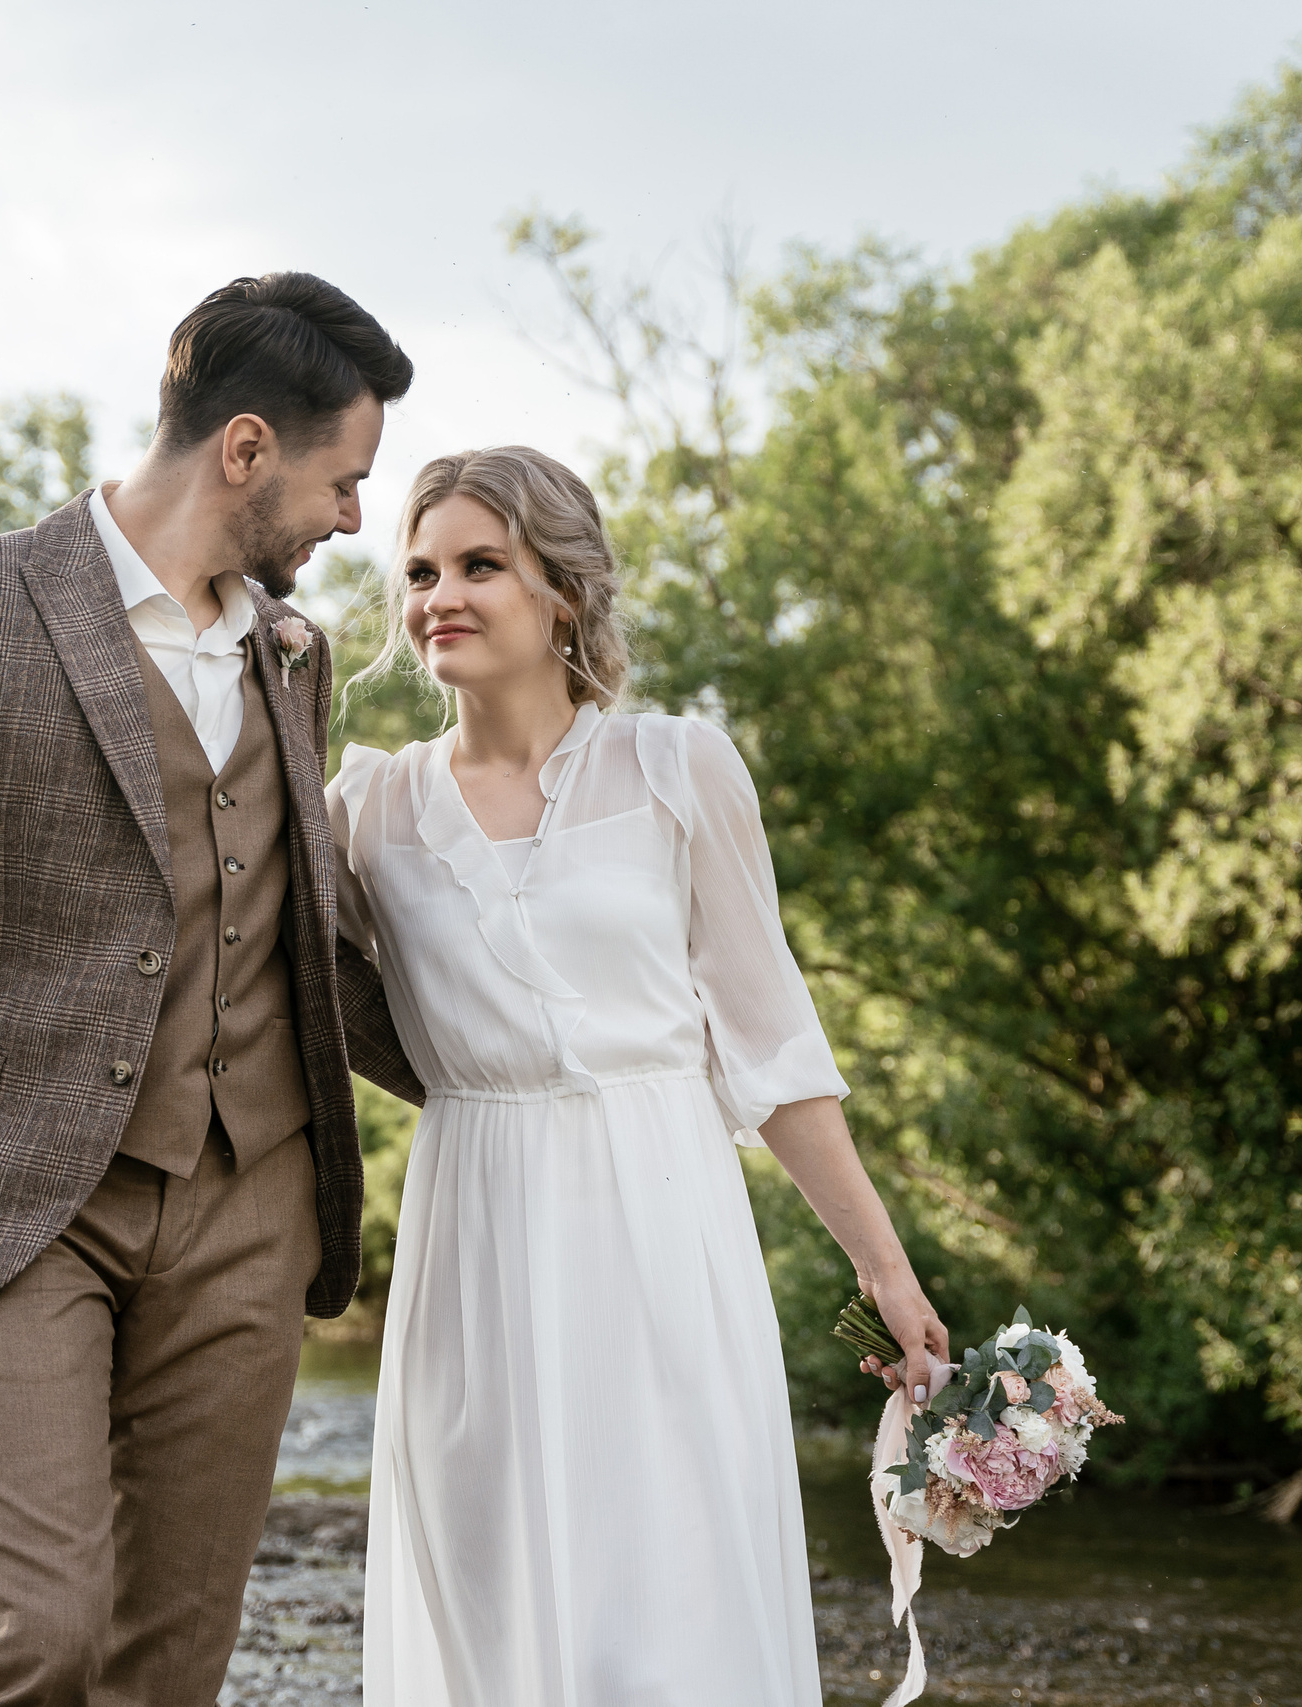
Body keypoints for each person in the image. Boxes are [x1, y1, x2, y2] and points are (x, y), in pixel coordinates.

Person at [0, 271, 427, 1706]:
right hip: (17, 1201)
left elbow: (295, 936)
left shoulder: (289, 655)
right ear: (246, 448)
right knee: (37, 1636)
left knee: (168, 1667)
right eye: (345, 479)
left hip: (254, 1204)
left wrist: (590, 1075)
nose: (356, 517)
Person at [329, 446, 947, 1705]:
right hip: (473, 1233)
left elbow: (773, 1052)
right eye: (420, 571)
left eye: (479, 565)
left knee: (665, 1603)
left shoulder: (678, 769)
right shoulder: (367, 810)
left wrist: (885, 1271)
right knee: (489, 1606)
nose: (438, 594)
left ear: (562, 590)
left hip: (660, 1218)